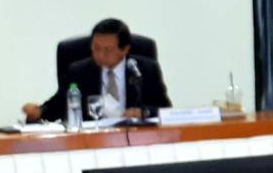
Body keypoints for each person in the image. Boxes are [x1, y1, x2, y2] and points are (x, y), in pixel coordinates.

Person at [23, 18, 171, 122]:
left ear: (125, 49)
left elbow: (165, 110)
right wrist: (38, 112)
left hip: (135, 140)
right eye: (96, 48)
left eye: (108, 50)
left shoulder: (145, 70)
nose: (100, 54)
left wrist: (143, 112)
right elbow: (59, 105)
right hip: (91, 142)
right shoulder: (78, 71)